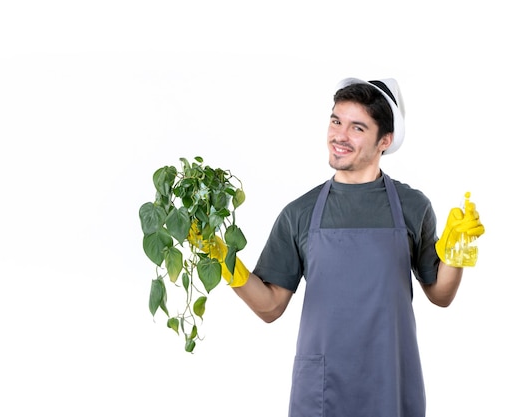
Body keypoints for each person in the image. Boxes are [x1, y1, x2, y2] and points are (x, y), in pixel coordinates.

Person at [197, 78, 485, 416]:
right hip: (324, 385)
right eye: (336, 121)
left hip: (390, 377)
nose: (339, 135)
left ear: (385, 140)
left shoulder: (412, 206)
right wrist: (223, 259)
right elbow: (271, 306)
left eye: (357, 127)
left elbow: (440, 295)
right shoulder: (300, 212)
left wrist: (457, 252)